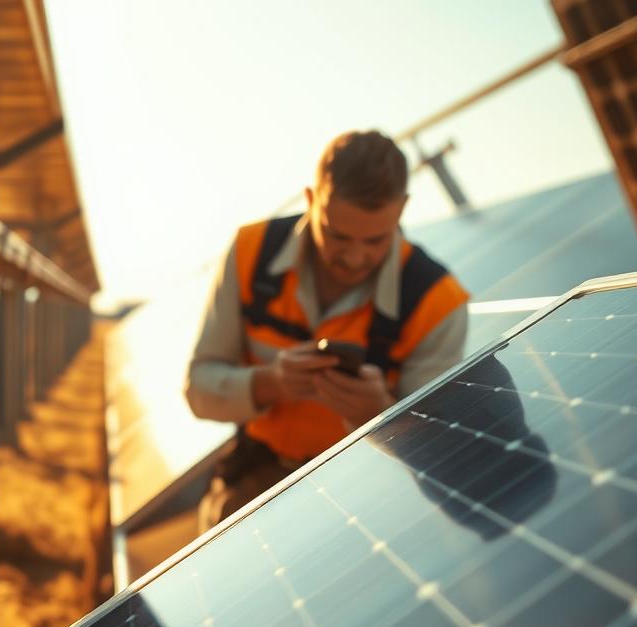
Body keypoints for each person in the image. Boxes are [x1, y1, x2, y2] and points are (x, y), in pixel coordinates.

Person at [186, 130, 470, 528]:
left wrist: (380, 414)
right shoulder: (250, 250)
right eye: (337, 235)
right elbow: (198, 390)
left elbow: (437, 455)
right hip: (253, 486)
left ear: (402, 209)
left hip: (370, 505)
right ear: (310, 199)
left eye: (375, 240)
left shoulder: (437, 302)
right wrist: (271, 383)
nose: (355, 258)